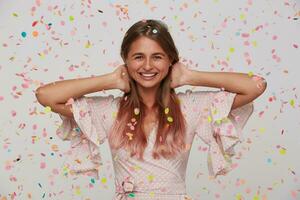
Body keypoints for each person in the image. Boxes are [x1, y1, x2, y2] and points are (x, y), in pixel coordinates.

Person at [35, 19, 267, 200]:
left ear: (170, 61)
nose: (147, 66)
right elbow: (45, 95)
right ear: (126, 60)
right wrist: (110, 80)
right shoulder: (110, 111)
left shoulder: (189, 107)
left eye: (157, 57)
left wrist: (190, 76)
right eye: (138, 57)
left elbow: (256, 85)